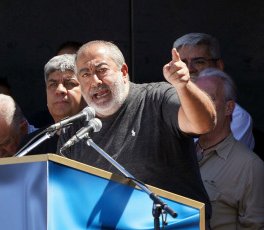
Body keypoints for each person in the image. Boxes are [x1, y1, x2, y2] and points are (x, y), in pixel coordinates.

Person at [57, 40, 217, 224]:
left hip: (176, 225)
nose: (95, 81)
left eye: (102, 70)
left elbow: (203, 124)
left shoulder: (157, 98)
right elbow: (68, 203)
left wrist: (184, 86)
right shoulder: (74, 132)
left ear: (123, 72)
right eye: (85, 74)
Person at [194, 68, 264, 229]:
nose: (198, 105)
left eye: (208, 99)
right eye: (194, 98)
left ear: (228, 108)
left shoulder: (250, 166)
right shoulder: (181, 153)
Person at [173, 32, 255, 150]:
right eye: (183, 63)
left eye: (199, 61)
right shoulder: (163, 105)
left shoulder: (236, 117)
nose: (189, 69)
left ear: (219, 66)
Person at [17, 54, 86, 155]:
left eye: (70, 83)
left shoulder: (103, 140)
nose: (59, 90)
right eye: (53, 84)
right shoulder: (31, 145)